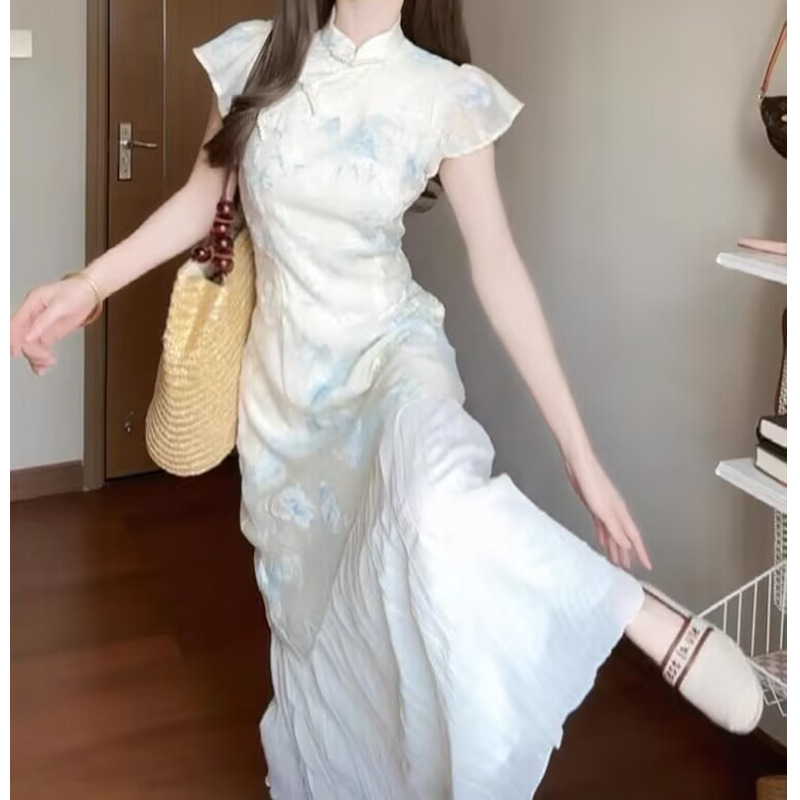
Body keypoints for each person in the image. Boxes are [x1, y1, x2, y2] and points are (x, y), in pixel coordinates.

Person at [10, 1, 764, 797]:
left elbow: (498, 268)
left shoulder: (448, 94)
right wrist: (89, 286)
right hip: (287, 398)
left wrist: (580, 457)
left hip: (393, 357)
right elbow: (204, 200)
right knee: (323, 629)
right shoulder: (256, 59)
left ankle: (624, 607)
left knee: (437, 500)